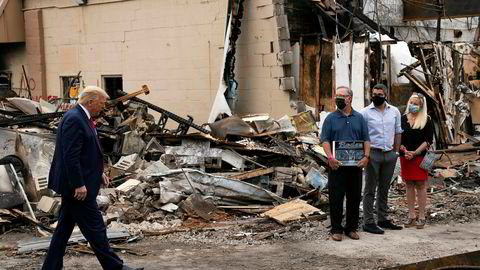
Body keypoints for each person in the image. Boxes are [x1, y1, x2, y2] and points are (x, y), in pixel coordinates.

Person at [42, 86, 142, 270]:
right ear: (90, 101)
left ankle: (50, 267)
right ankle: (115, 267)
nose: (102, 107)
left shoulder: (84, 118)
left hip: (82, 182)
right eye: (101, 103)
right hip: (77, 187)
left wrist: (100, 172)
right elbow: (71, 156)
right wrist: (79, 184)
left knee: (63, 229)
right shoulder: (75, 119)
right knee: (95, 227)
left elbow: (87, 153)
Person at [321, 86, 371, 241]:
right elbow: (324, 140)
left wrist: (366, 157)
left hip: (355, 166)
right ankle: (336, 229)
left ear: (350, 98)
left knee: (354, 197)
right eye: (337, 95)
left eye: (342, 96)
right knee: (336, 197)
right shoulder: (330, 118)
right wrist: (330, 157)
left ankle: (351, 228)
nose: (338, 98)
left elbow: (366, 139)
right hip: (336, 166)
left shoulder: (359, 118)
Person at [361, 84, 403, 234]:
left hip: (389, 154)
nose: (376, 96)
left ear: (385, 94)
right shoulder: (365, 113)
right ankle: (368, 221)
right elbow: (362, 135)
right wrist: (365, 154)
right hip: (373, 154)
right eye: (374, 94)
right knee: (370, 189)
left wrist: (396, 152)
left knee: (384, 188)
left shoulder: (395, 112)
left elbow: (398, 132)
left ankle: (383, 219)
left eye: (379, 94)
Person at [399, 92, 433, 229]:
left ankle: (422, 216)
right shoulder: (402, 118)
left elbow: (428, 140)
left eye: (416, 104)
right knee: (408, 185)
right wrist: (405, 151)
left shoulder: (427, 119)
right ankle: (411, 215)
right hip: (405, 156)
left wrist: (415, 152)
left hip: (420, 156)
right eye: (411, 103)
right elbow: (398, 138)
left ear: (421, 106)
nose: (412, 105)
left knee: (421, 185)